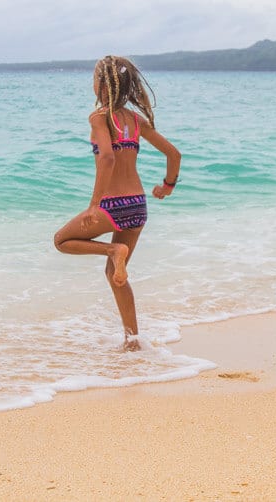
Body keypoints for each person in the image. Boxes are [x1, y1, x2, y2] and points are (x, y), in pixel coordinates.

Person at [54, 55, 181, 351]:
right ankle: (132, 340)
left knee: (61, 240)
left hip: (112, 205)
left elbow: (108, 158)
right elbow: (174, 155)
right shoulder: (136, 121)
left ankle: (113, 249)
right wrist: (167, 186)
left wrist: (94, 203)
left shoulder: (99, 117)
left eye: (95, 77)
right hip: (137, 205)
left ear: (101, 84)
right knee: (116, 275)